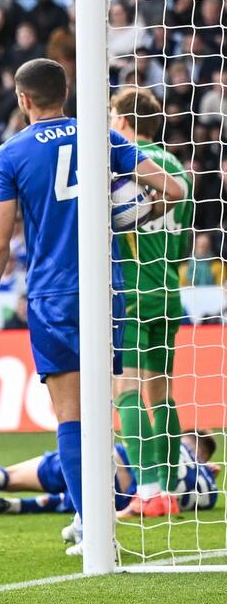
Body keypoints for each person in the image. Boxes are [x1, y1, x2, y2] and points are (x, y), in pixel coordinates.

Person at [0, 58, 184, 555]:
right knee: (105, 407)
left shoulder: (10, 153)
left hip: (54, 294)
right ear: (65, 93)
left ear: (23, 99)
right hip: (108, 288)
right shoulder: (102, 137)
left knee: (71, 417)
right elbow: (173, 189)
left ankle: (93, 526)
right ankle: (112, 508)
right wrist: (133, 213)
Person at [108, 88, 193, 518]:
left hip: (133, 292)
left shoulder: (123, 164)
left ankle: (147, 490)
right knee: (161, 393)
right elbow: (184, 243)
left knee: (125, 390)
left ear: (122, 121)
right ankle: (170, 488)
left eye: (112, 116)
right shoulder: (178, 169)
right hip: (169, 290)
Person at [0, 432, 218, 520]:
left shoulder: (168, 441)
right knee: (75, 502)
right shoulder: (209, 489)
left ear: (186, 438)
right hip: (126, 498)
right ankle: (13, 506)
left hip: (113, 460)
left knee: (12, 475)